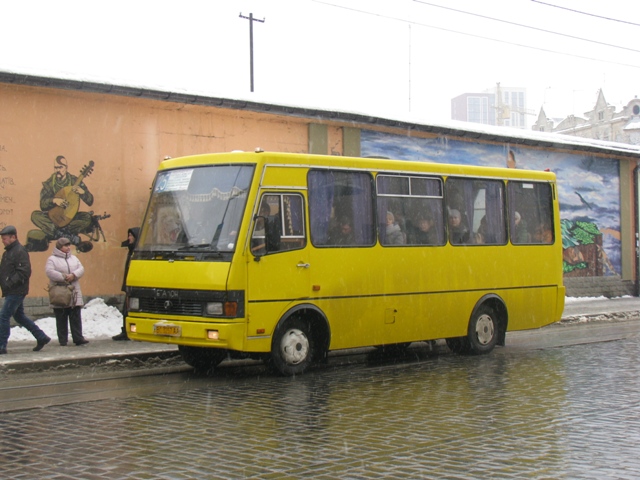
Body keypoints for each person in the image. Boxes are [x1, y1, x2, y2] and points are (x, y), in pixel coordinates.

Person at [0, 225, 51, 354]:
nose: (3, 241)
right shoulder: (8, 252)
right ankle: (41, 337)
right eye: (2, 239)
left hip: (16, 290)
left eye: (5, 238)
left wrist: (9, 283)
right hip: (12, 290)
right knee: (19, 316)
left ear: (13, 237)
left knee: (3, 317)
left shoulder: (19, 251)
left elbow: (24, 271)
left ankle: (1, 345)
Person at [30, 155, 95, 252]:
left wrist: (83, 193)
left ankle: (57, 233)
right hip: (53, 217)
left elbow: (90, 201)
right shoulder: (49, 184)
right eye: (56, 167)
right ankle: (68, 236)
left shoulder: (75, 181)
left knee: (87, 218)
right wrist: (54, 200)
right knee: (35, 215)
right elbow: (43, 205)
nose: (58, 170)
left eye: (60, 167)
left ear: (66, 167)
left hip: (69, 218)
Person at [45, 237, 88, 346]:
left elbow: (81, 268)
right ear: (60, 247)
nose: (68, 247)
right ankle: (63, 339)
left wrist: (74, 275)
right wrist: (64, 277)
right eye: (66, 245)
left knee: (75, 315)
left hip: (74, 290)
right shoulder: (52, 259)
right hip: (60, 291)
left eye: (69, 245)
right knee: (61, 316)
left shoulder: (73, 258)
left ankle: (78, 338)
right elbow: (50, 272)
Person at [113, 227, 139, 341]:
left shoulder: (137, 252)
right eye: (128, 235)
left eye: (131, 236)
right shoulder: (131, 250)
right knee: (126, 309)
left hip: (134, 285)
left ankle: (128, 331)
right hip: (129, 284)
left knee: (129, 309)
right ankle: (125, 330)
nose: (129, 238)